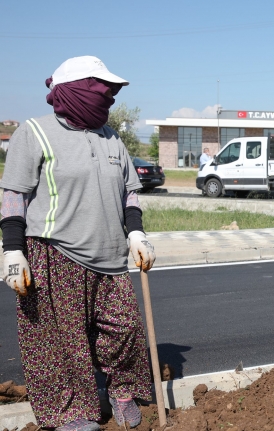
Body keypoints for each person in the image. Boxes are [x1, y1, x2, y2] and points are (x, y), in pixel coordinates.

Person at [0, 56, 157, 431]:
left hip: (110, 255)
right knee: (59, 342)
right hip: (54, 252)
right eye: (100, 89)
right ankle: (72, 413)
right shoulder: (34, 131)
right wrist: (12, 250)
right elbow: (14, 194)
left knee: (124, 330)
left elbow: (129, 194)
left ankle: (122, 390)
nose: (107, 98)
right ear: (75, 90)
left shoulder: (111, 137)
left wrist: (135, 231)